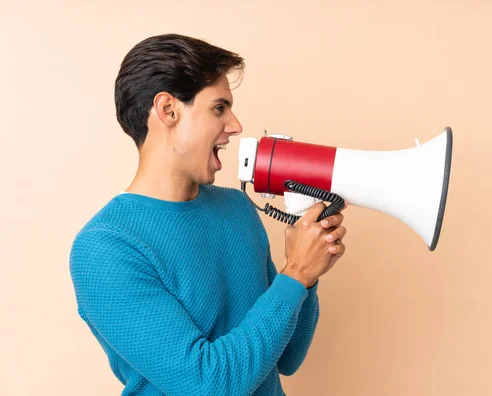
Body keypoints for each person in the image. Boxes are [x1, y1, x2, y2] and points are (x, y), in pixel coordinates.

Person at [69, 33, 348, 396]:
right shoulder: (105, 248)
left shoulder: (237, 208)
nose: (235, 125)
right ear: (168, 110)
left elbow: (288, 357)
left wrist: (308, 277)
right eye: (219, 108)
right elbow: (207, 385)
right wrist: (295, 273)